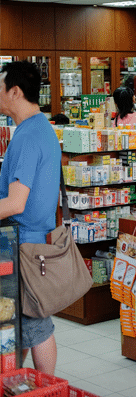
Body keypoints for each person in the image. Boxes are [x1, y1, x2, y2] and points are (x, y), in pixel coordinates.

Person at [0, 60, 61, 374]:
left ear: (15, 92)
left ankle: (45, 388)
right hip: (32, 244)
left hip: (23, 246)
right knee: (20, 324)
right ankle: (16, 382)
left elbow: (15, 203)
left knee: (35, 325)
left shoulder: (26, 136)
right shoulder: (40, 128)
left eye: (0, 87)